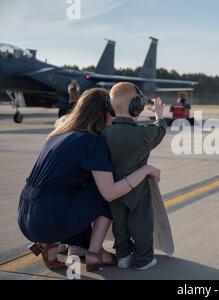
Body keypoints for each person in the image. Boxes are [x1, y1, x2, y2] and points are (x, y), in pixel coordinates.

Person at [17, 88, 161, 271]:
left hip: (25, 216)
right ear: (106, 111)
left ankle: (51, 249)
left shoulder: (58, 134)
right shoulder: (92, 141)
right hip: (48, 221)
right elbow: (110, 193)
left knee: (69, 187)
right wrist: (145, 170)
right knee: (106, 189)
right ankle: (94, 253)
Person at [103, 82, 167, 271]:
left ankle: (123, 256)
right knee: (142, 225)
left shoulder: (104, 133)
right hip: (137, 190)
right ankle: (143, 259)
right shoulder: (142, 133)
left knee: (119, 225)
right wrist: (159, 115)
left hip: (114, 189)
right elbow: (160, 130)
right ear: (137, 106)